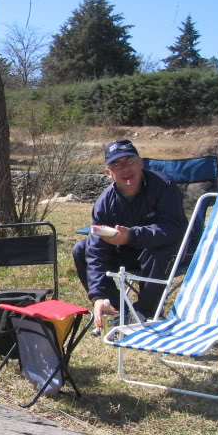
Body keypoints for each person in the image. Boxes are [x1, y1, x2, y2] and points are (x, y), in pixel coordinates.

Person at [73, 138, 187, 332]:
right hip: (127, 253)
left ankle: (146, 311)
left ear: (140, 162)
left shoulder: (163, 186)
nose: (124, 169)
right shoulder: (104, 202)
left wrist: (131, 236)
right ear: (109, 173)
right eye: (116, 164)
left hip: (167, 251)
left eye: (129, 161)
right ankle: (120, 309)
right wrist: (98, 295)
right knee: (81, 249)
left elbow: (174, 228)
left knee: (155, 250)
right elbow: (96, 250)